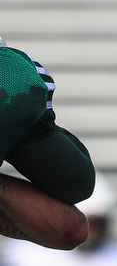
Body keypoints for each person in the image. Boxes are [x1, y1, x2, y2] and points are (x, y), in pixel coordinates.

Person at [0, 36, 95, 249]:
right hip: (14, 73)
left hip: (10, 81)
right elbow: (71, 231)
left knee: (77, 183)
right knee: (79, 181)